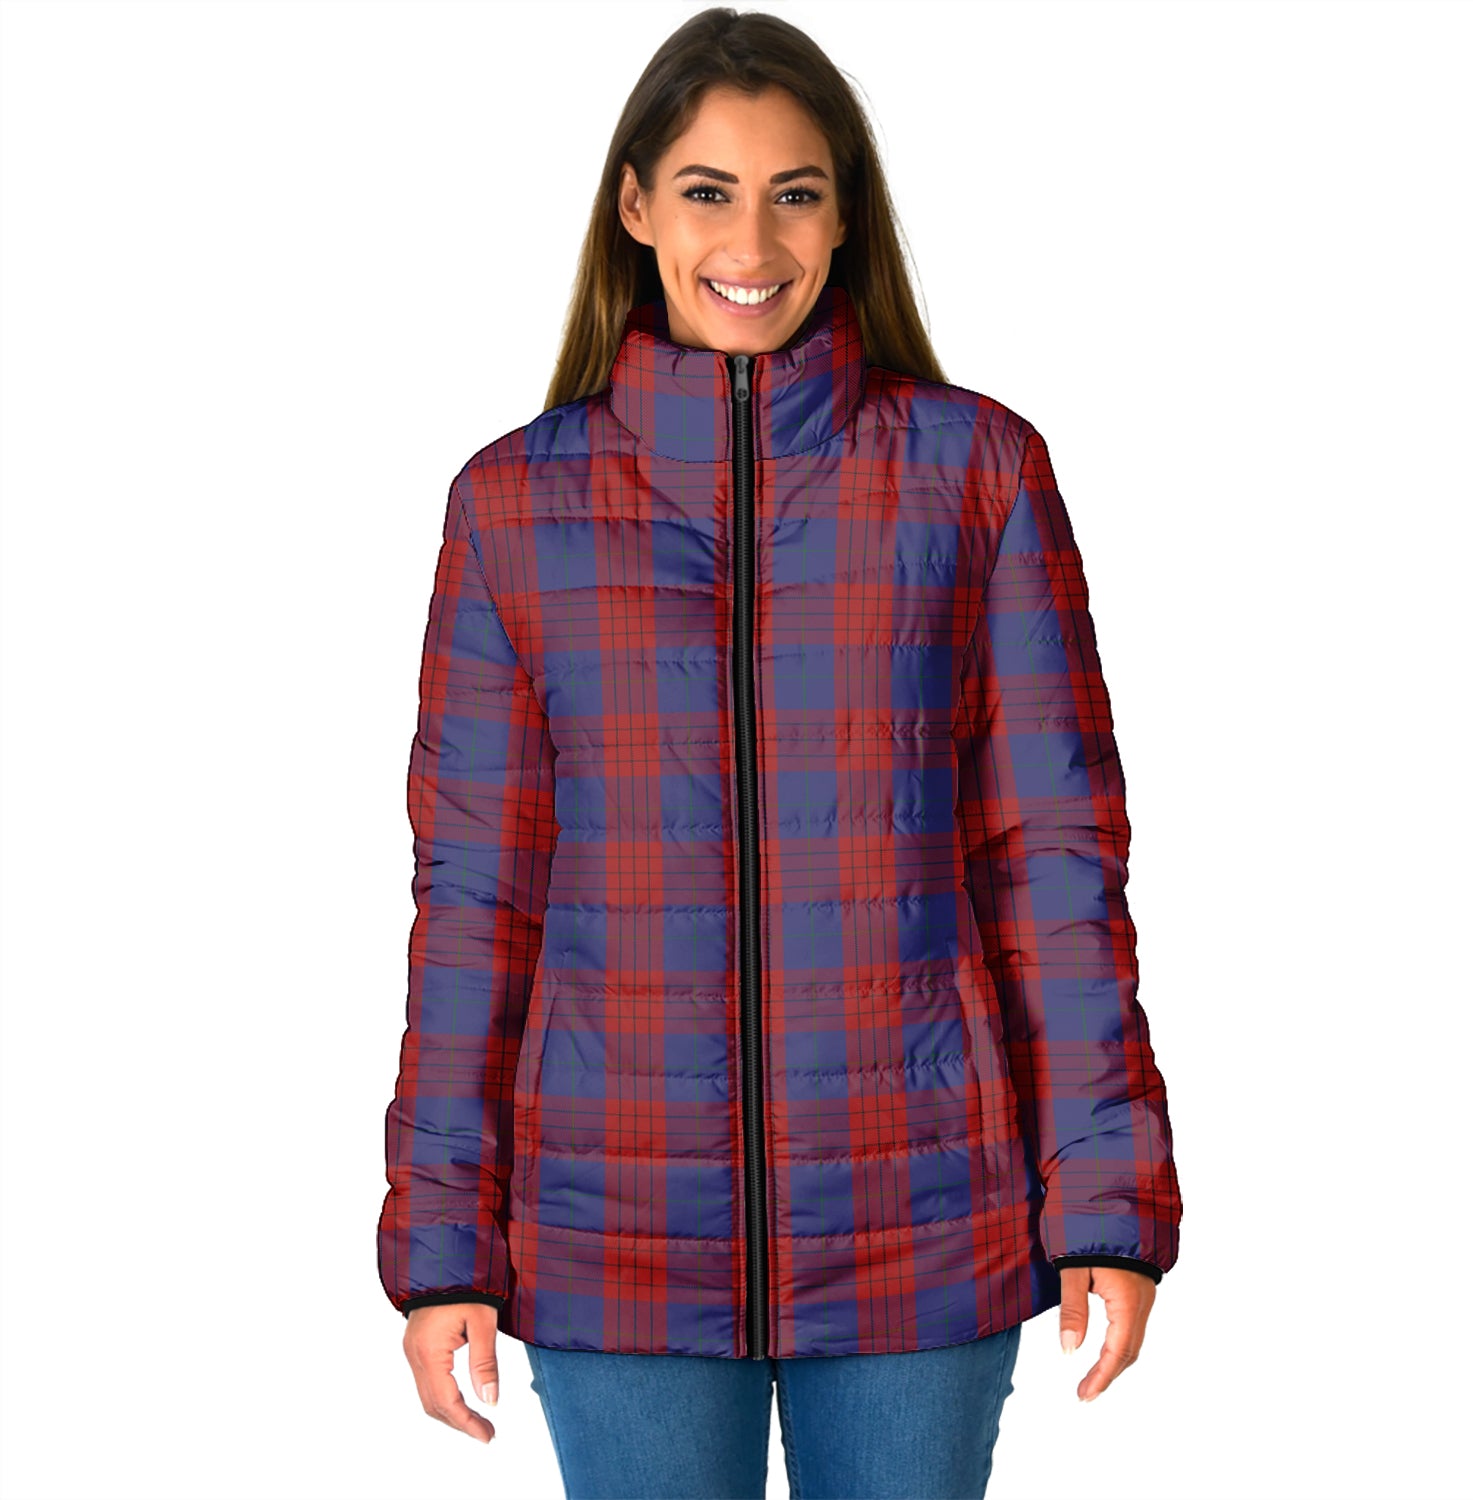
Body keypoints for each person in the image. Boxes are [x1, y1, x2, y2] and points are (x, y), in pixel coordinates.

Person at [377, 8, 1183, 1497]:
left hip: (923, 1220)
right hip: (613, 1233)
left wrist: (1107, 1199)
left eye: (795, 193)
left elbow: (1055, 863)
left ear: (844, 213)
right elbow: (476, 900)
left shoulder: (979, 474)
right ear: (636, 207)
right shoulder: (512, 507)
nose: (752, 240)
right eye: (708, 191)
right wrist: (442, 1245)